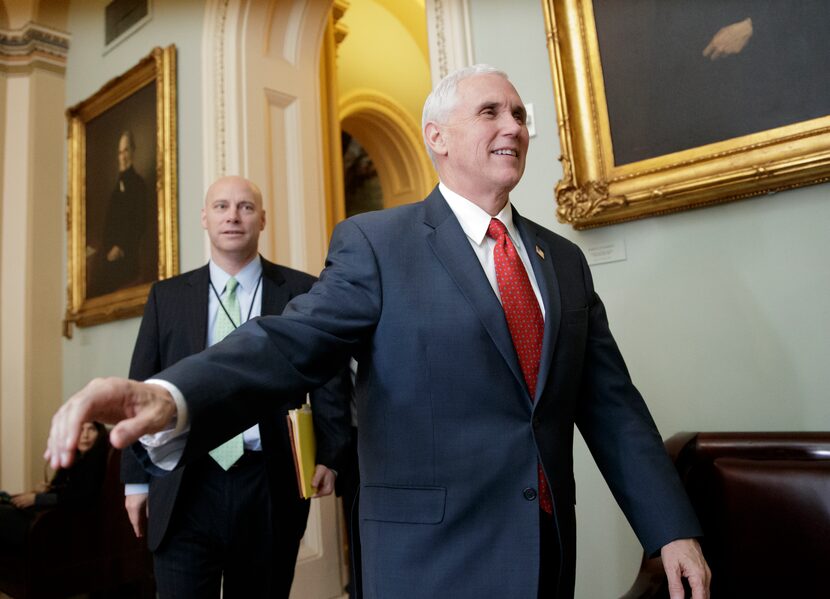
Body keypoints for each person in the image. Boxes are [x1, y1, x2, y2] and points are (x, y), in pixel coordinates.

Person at [47, 66, 711, 599]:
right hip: (426, 561)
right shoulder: (378, 243)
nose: (513, 126)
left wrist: (670, 528)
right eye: (490, 112)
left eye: (519, 115)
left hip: (541, 549)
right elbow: (289, 342)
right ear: (436, 136)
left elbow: (612, 404)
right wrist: (171, 395)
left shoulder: (559, 260)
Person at [119, 175, 352, 598]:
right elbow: (142, 384)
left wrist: (332, 454)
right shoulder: (166, 297)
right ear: (204, 218)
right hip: (185, 481)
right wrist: (135, 481)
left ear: (262, 219)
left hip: (268, 482)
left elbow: (329, 376)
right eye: (222, 206)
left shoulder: (302, 290)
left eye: (245, 207)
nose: (233, 216)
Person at [1, 422, 109, 552]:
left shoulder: (98, 461)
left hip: (66, 524)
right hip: (50, 516)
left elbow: (82, 497)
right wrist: (46, 489)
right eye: (80, 429)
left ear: (100, 434)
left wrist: (37, 499)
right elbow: (61, 488)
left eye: (91, 429)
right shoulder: (72, 458)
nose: (85, 435)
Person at [90, 130, 154, 296]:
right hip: (109, 257)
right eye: (120, 152)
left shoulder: (139, 185)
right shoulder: (116, 190)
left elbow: (140, 223)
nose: (123, 156)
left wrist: (121, 247)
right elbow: (109, 225)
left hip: (127, 260)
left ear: (133, 151)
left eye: (126, 151)